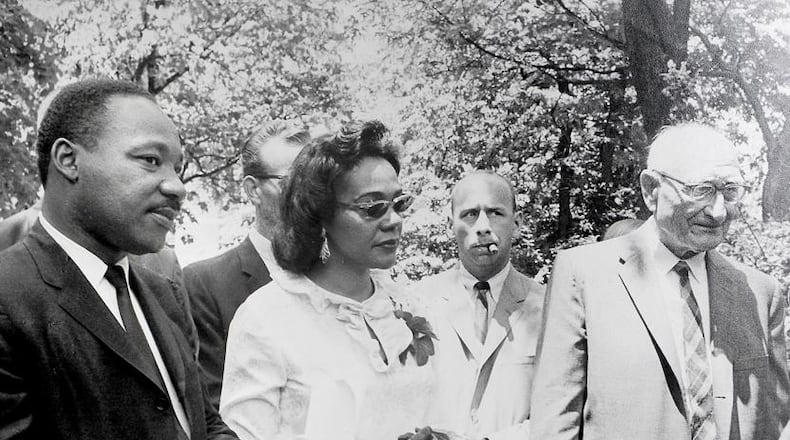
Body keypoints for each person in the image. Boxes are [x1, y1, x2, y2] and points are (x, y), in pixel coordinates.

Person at [0, 78, 237, 440]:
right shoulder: (9, 297)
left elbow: (203, 424)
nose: (178, 186)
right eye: (150, 160)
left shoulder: (165, 294)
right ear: (68, 160)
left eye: (177, 167)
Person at [530, 123, 790, 440]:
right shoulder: (583, 276)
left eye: (730, 191)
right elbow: (555, 425)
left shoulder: (761, 293)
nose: (718, 211)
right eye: (702, 190)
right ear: (652, 189)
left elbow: (773, 422)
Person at [220, 120, 438, 440]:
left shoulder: (409, 304)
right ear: (321, 215)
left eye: (399, 203)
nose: (394, 220)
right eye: (373, 207)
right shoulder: (265, 319)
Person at [183, 120, 309, 409]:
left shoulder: (335, 276)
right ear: (253, 190)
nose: (308, 196)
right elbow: (212, 411)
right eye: (291, 182)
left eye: (315, 182)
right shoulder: (205, 284)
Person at [416, 171, 545, 440]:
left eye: (496, 213)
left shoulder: (546, 307)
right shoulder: (419, 302)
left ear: (517, 223)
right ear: (451, 224)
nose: (483, 226)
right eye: (470, 214)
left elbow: (558, 409)